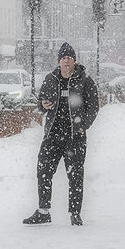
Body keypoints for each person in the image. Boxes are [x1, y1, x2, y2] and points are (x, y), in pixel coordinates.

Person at [23, 42, 100, 227]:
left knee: (75, 175)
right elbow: (41, 102)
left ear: (74, 60)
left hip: (75, 136)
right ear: (59, 61)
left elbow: (94, 107)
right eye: (63, 58)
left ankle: (75, 212)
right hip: (53, 135)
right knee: (43, 171)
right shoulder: (51, 79)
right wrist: (43, 105)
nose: (66, 62)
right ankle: (43, 211)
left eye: (69, 58)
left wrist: (83, 126)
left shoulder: (84, 80)